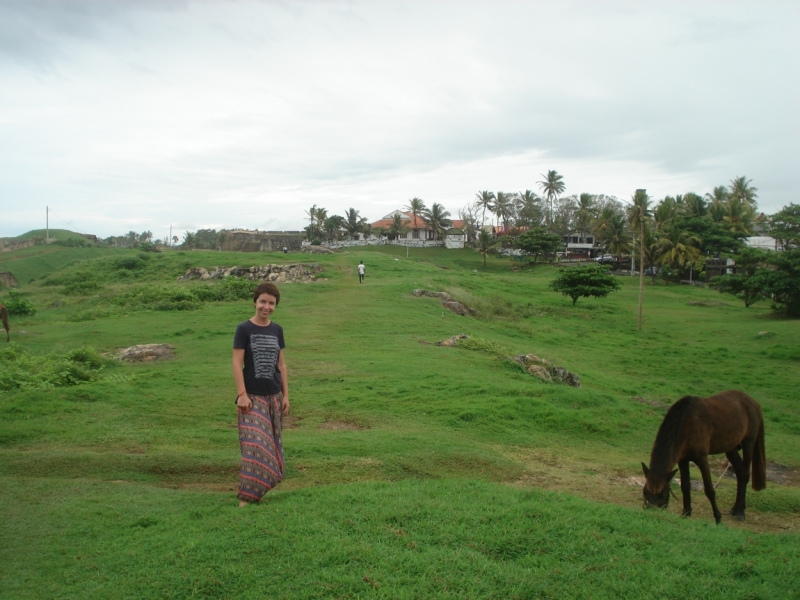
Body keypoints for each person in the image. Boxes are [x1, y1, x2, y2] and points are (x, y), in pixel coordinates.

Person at [232, 282, 290, 507]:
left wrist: (286, 395)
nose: (267, 306)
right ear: (255, 302)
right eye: (263, 301)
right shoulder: (244, 329)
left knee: (272, 447)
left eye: (271, 303)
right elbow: (237, 363)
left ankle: (257, 491)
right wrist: (242, 394)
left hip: (274, 397)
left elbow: (282, 365)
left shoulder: (277, 330)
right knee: (255, 446)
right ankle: (247, 497)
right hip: (251, 398)